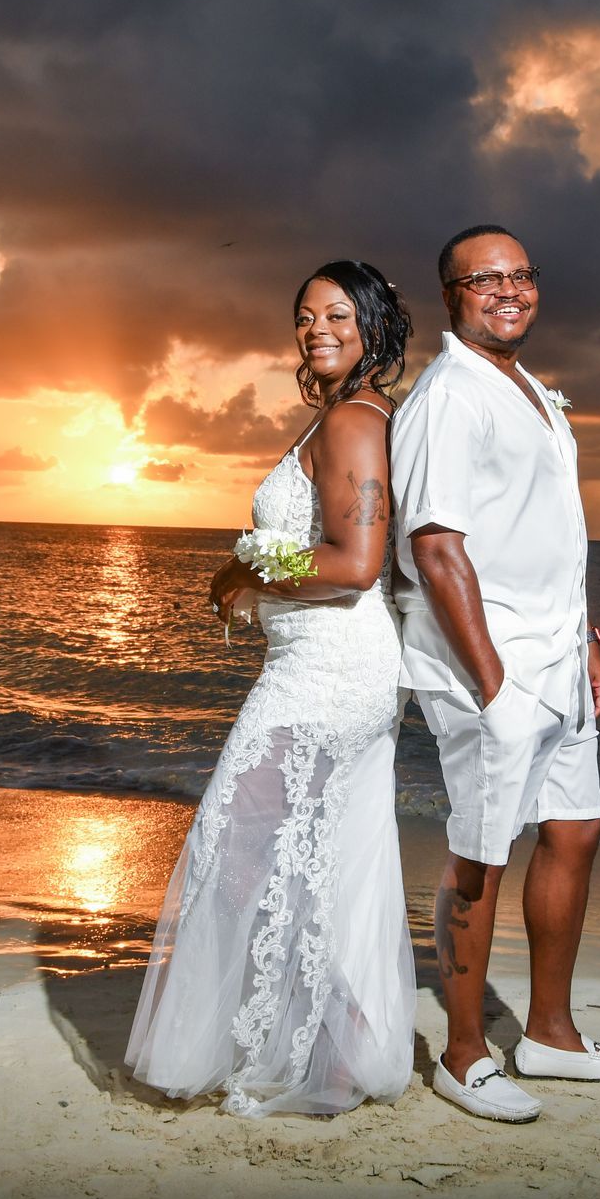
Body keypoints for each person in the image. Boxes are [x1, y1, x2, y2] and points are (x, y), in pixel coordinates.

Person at [125, 260, 415, 1117]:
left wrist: (239, 575)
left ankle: (323, 1043)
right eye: (304, 315)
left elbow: (357, 564)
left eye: (337, 313)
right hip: (314, 665)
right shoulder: (335, 419)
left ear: (373, 327)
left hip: (333, 669)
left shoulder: (357, 421)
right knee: (301, 858)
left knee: (238, 849)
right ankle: (335, 1047)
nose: (315, 327)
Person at [389, 225, 600, 1124]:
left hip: (556, 655)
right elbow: (436, 545)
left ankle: (550, 1036)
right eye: (486, 277)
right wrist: (494, 682)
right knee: (481, 854)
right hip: (485, 664)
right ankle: (464, 1056)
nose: (509, 289)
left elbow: (550, 535)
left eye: (523, 275)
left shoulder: (534, 391)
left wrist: (583, 640)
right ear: (452, 294)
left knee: (575, 832)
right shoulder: (448, 397)